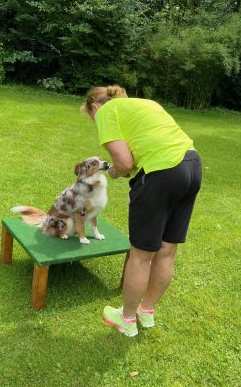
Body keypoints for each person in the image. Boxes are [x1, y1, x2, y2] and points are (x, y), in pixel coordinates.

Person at [81, 85, 202, 337]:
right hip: (192, 165)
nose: (95, 122)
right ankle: (146, 311)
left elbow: (125, 163)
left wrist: (115, 171)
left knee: (141, 254)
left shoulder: (105, 112)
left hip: (163, 173)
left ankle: (126, 319)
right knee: (167, 250)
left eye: (92, 117)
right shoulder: (145, 103)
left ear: (94, 106)